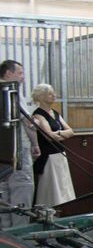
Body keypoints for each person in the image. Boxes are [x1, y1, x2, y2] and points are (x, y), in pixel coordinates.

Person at [0, 60, 40, 227]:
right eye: (20, 73)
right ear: (8, 74)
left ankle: (7, 242)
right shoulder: (12, 92)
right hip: (18, 152)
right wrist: (35, 144)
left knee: (4, 198)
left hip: (2, 158)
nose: (22, 78)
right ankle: (21, 238)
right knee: (22, 194)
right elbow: (28, 124)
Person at [30, 84, 76, 207]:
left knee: (63, 188)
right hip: (49, 157)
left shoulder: (55, 113)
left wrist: (59, 133)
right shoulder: (38, 114)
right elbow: (49, 136)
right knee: (51, 190)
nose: (54, 96)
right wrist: (61, 135)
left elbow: (71, 131)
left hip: (60, 155)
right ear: (41, 96)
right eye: (50, 94)